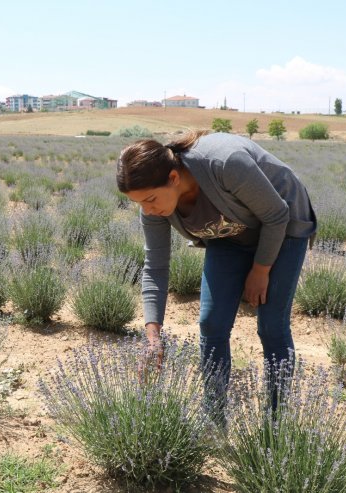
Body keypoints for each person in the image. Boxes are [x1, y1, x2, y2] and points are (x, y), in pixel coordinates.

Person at [116, 130, 317, 409]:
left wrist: (260, 271)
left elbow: (276, 215)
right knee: (212, 323)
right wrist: (152, 337)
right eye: (139, 203)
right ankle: (214, 420)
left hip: (284, 226)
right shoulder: (155, 207)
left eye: (149, 200)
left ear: (173, 179)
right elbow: (156, 266)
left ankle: (276, 421)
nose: (147, 210)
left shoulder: (224, 164)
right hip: (230, 235)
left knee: (271, 325)